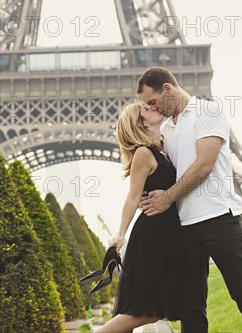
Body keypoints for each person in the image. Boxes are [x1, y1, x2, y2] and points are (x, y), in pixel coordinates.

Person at [137, 67, 242, 333]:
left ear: (167, 89)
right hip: (185, 226)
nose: (152, 108)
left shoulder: (208, 112)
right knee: (191, 305)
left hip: (219, 219)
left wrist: (167, 197)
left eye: (152, 102)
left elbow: (204, 165)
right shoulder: (165, 128)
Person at [96, 102, 184, 333]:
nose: (152, 107)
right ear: (141, 122)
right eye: (145, 109)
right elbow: (133, 197)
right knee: (143, 311)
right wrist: (120, 234)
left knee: (150, 310)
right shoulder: (144, 153)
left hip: (165, 233)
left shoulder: (164, 147)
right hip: (153, 236)